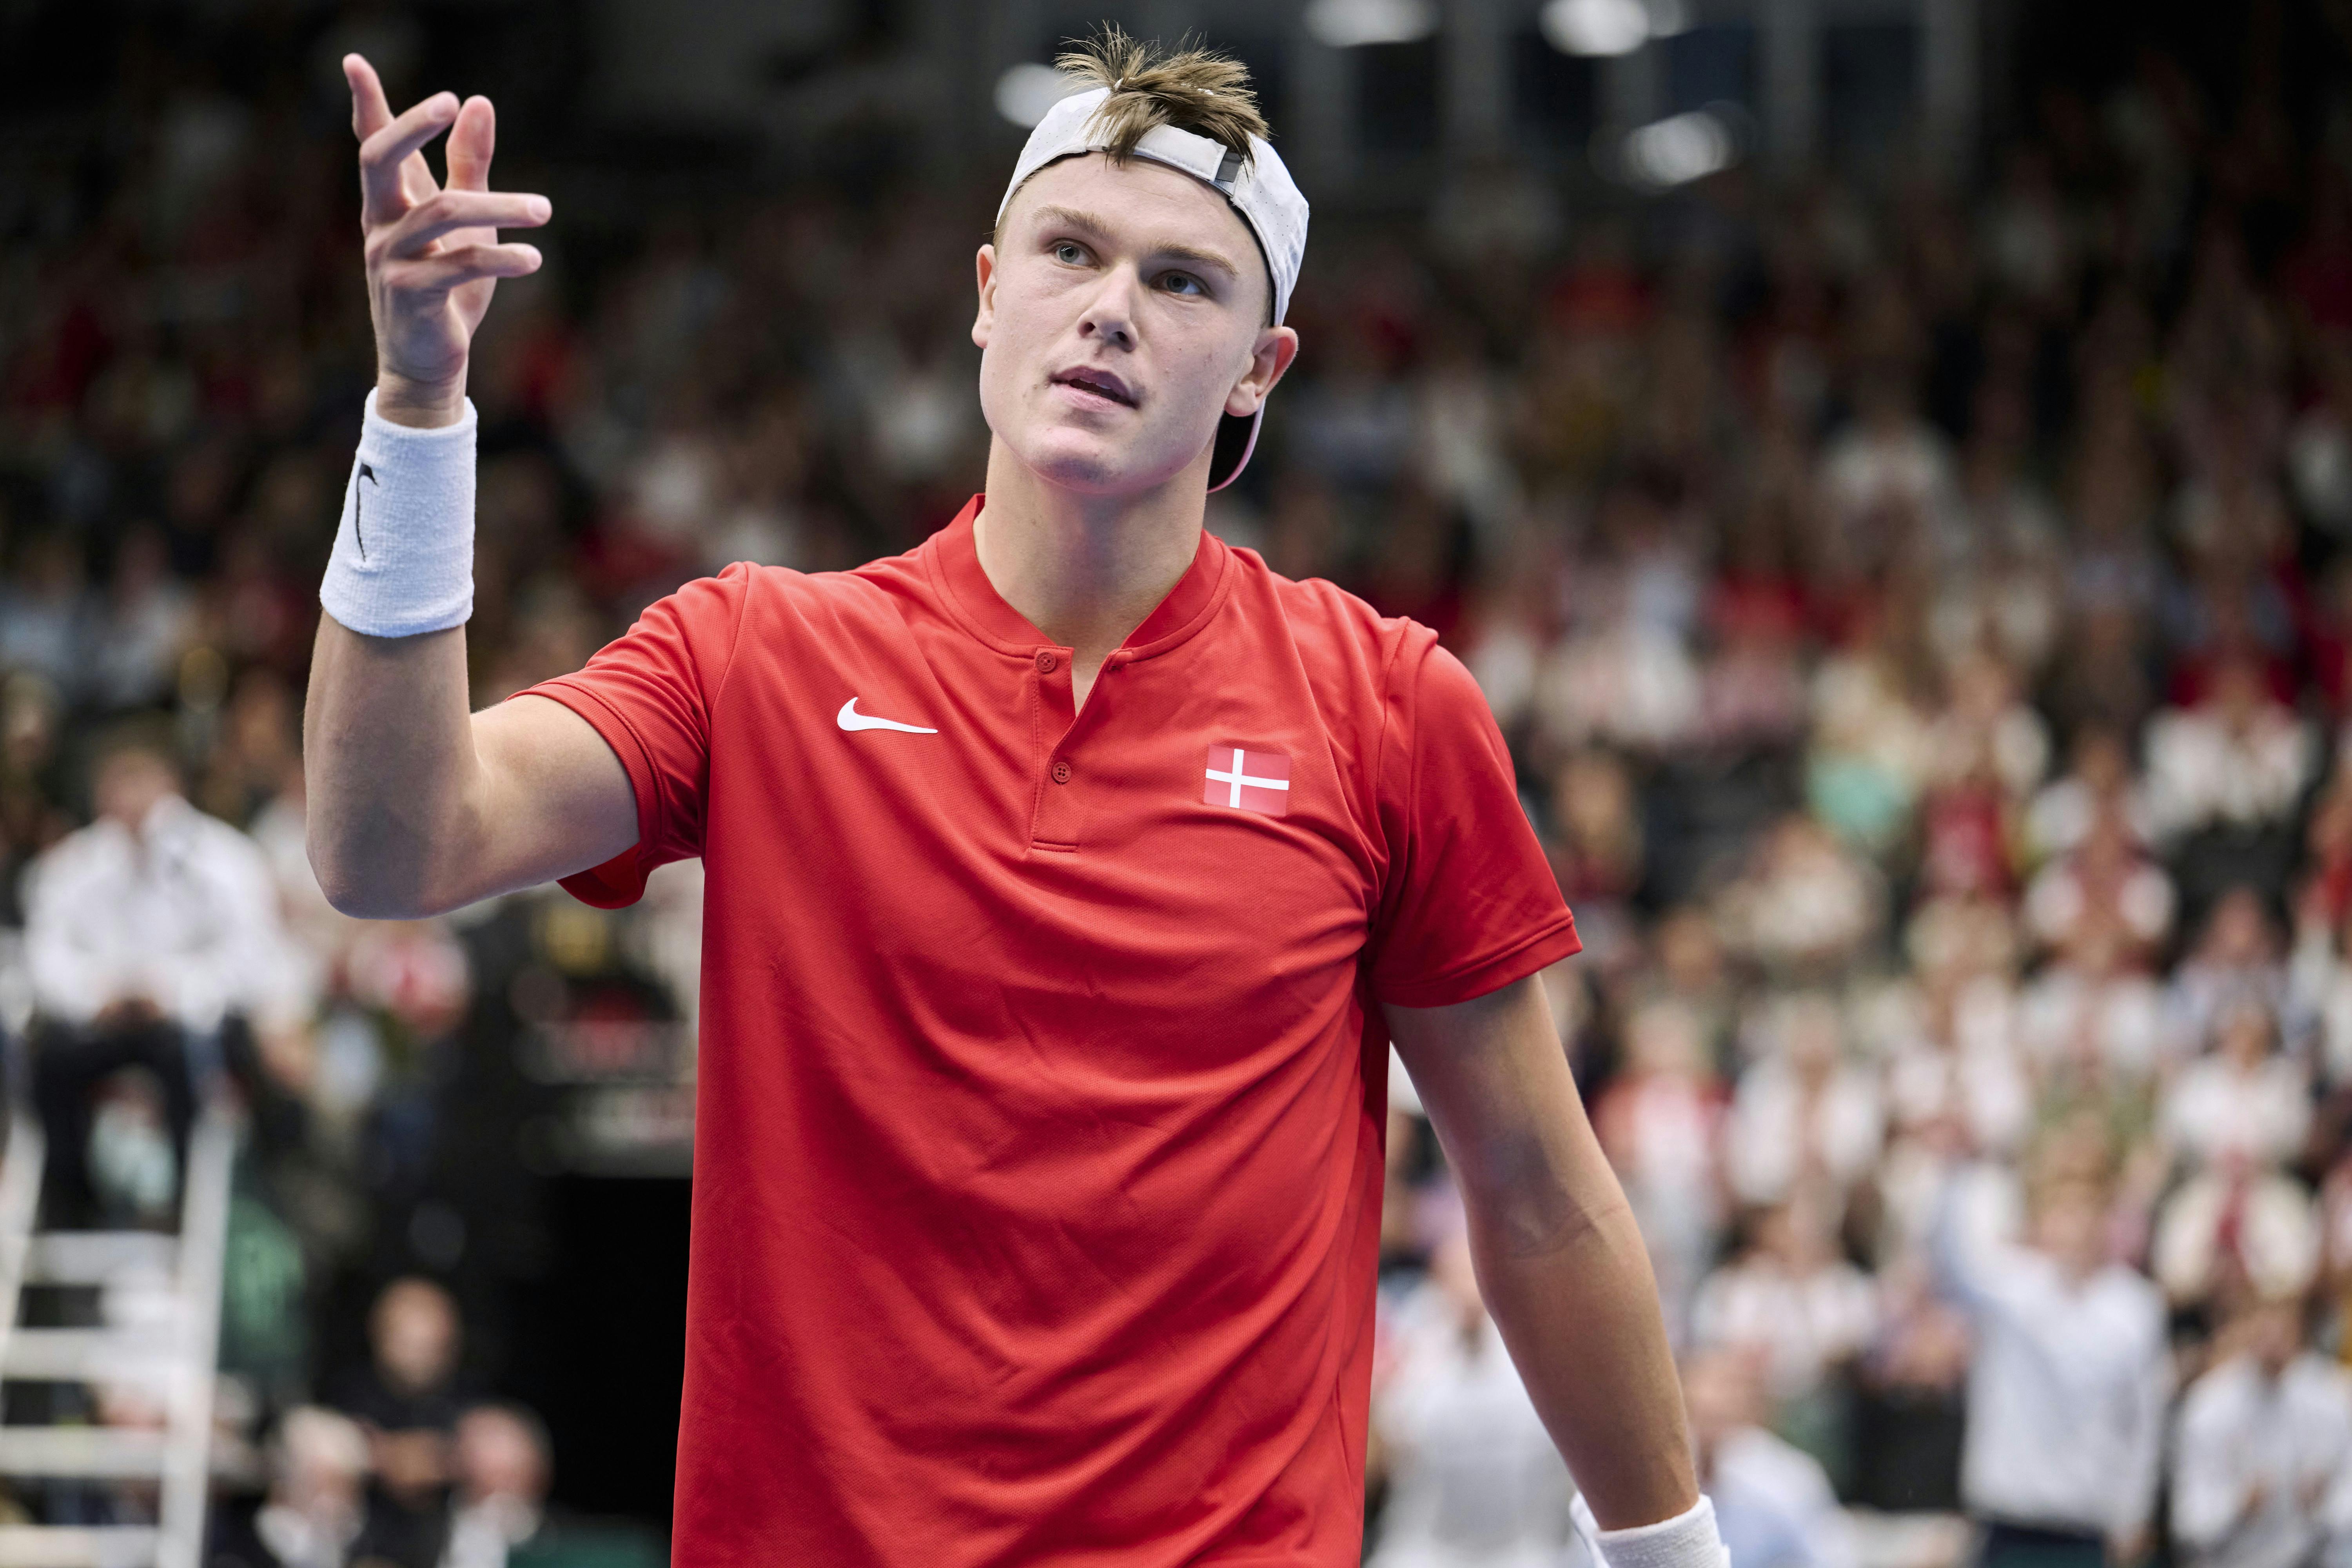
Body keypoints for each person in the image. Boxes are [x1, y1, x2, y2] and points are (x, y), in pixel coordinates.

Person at [303, 27, 1711, 1568]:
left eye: (1184, 281)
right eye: (1072, 251)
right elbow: (392, 844)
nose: (1111, 307)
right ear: (988, 294)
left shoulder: (1386, 709)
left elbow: (1538, 1194)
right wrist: (417, 404)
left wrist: (1673, 1557)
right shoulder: (758, 654)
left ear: (1262, 363)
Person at [20, 720, 307, 1223]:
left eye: (141, 780)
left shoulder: (224, 858)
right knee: (49, 1062)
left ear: (171, 784)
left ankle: (185, 1208)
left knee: (193, 1057)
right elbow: (44, 957)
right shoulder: (71, 866)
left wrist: (170, 992)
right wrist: (95, 995)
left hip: (187, 1026)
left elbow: (252, 956)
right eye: (117, 781)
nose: (129, 797)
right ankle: (73, 1204)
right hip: (101, 1023)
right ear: (98, 790)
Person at [1929, 1152, 2169, 1568]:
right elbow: (1950, 1264)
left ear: (2105, 1222)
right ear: (2044, 1218)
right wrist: (1958, 1171)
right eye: (2062, 1210)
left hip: (2083, 1526)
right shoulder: (2010, 1285)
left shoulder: (2136, 1308)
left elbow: (2145, 1421)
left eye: (2084, 1211)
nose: (2072, 1224)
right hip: (2006, 1522)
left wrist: (2135, 1513)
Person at [2170, 1294, 2352, 1568]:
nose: (2273, 1344)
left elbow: (2346, 1497)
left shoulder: (2330, 1398)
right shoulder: (2209, 1407)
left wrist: (2323, 1503)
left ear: (2300, 1334)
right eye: (2264, 1330)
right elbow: (2189, 1522)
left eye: (2283, 1330)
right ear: (2243, 1330)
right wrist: (2238, 1505)